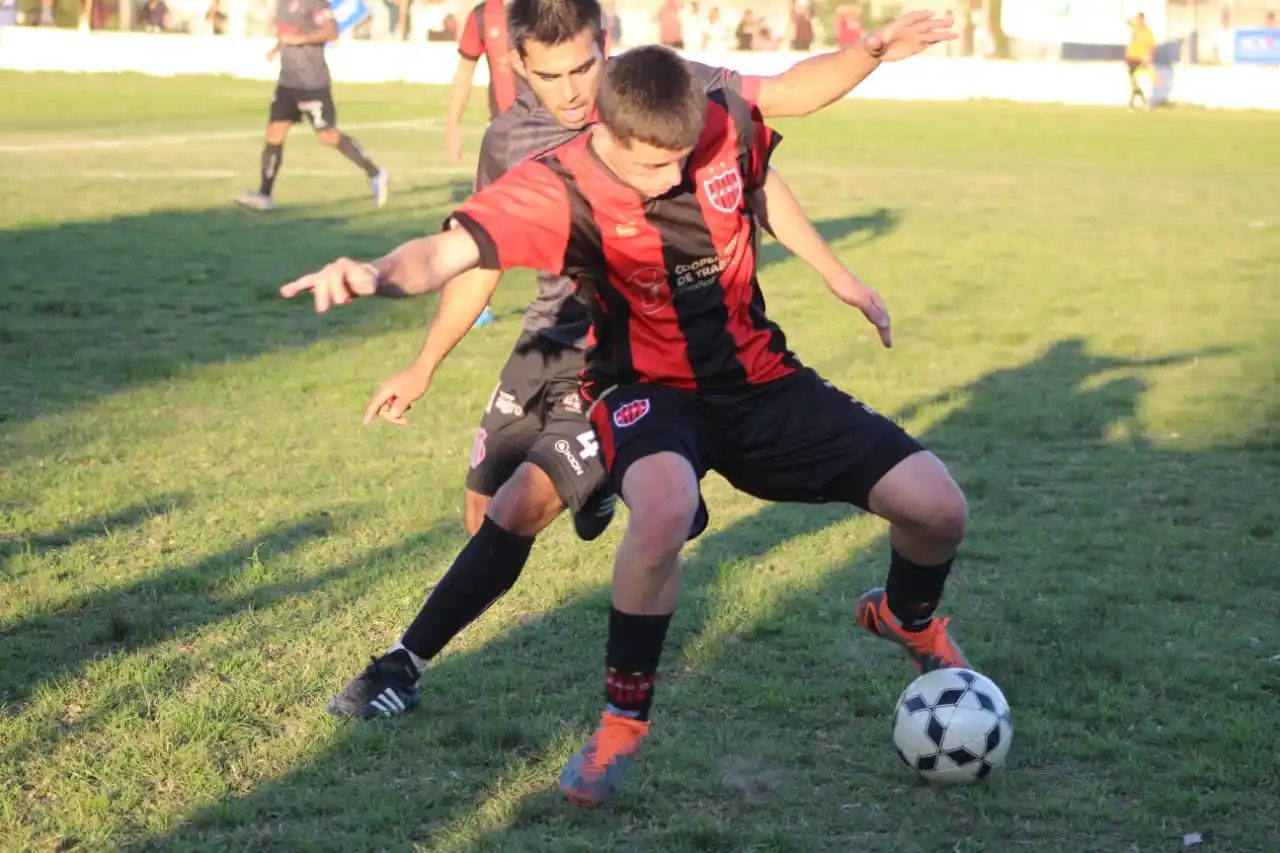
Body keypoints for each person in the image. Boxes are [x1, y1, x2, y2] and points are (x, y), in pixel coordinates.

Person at [281, 0, 958, 727]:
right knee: (488, 507)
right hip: (553, 338)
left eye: (584, 67)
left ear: (604, 46)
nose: (572, 91)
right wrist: (415, 347)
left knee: (537, 501)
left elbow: (755, 156)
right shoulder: (515, 146)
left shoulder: (665, 95)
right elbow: (473, 255)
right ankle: (634, 498)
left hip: (627, 363)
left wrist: (835, 265)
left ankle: (404, 663)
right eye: (551, 75)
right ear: (518, 67)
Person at [235, 0, 388, 212]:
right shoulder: (282, 4)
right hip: (287, 82)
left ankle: (375, 172)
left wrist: (301, 39)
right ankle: (264, 194)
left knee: (328, 136)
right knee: (274, 132)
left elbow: (331, 32)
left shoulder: (315, 3)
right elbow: (287, 33)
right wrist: (277, 48)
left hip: (312, 84)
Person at [1125, 12, 1157, 110]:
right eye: (1137, 19)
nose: (1138, 21)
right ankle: (1142, 103)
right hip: (1130, 58)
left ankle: (1132, 104)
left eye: (1139, 19)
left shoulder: (1147, 32)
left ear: (1143, 19)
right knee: (1133, 82)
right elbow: (1126, 21)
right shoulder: (1135, 28)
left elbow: (1153, 46)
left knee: (1134, 81)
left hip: (1139, 59)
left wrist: (1149, 57)